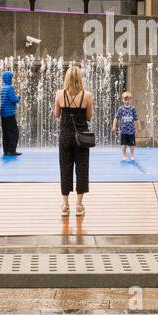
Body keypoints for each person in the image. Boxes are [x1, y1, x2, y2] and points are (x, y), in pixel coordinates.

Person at [53, 65, 93, 215]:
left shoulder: (59, 94)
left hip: (65, 136)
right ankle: (79, 205)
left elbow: (57, 114)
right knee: (82, 169)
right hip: (82, 137)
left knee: (65, 168)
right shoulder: (87, 95)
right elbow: (89, 116)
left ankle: (65, 205)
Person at [0, 70, 21, 156]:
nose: (12, 79)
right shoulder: (10, 87)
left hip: (3, 113)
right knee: (14, 132)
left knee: (6, 133)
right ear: (9, 79)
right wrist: (18, 97)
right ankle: (12, 150)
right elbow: (13, 99)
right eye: (11, 77)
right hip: (9, 113)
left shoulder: (3, 88)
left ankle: (6, 150)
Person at [112, 91, 140, 161]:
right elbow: (116, 118)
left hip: (131, 130)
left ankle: (132, 154)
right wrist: (114, 126)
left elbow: (136, 118)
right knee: (123, 143)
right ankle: (124, 155)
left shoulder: (132, 108)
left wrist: (138, 126)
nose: (127, 101)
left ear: (131, 100)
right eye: (125, 100)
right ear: (122, 100)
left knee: (132, 144)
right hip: (123, 130)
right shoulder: (121, 109)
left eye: (128, 100)